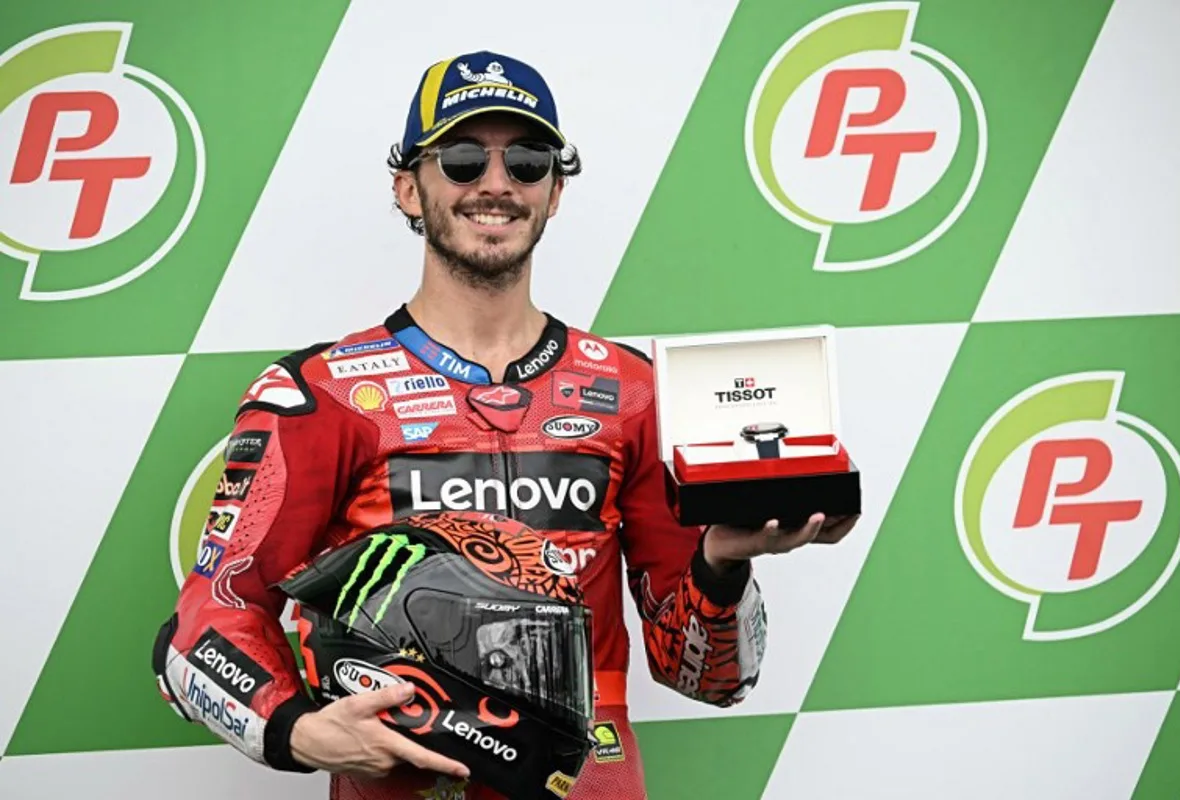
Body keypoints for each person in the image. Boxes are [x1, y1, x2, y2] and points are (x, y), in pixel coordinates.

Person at [151, 49, 859, 800]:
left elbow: (712, 677)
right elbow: (210, 616)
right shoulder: (318, 394)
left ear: (554, 192)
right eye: (461, 159)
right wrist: (295, 729)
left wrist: (722, 563)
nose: (496, 184)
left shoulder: (632, 392)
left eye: (526, 161)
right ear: (407, 187)